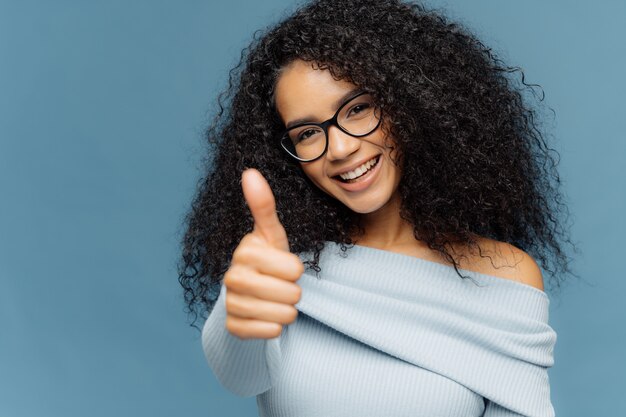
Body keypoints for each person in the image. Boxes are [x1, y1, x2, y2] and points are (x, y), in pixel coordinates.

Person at [178, 0, 578, 415]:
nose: (341, 148)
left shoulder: (505, 275)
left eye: (358, 108)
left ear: (413, 102)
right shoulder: (280, 267)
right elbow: (241, 376)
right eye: (307, 133)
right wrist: (236, 305)